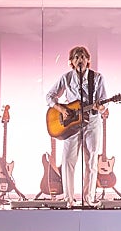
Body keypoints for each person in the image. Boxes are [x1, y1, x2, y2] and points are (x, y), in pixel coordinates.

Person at [46, 45, 109, 207]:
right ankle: (68, 199)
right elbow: (50, 96)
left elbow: (104, 104)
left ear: (88, 60)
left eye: (82, 57)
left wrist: (100, 107)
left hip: (92, 122)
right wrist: (61, 109)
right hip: (71, 124)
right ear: (71, 62)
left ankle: (88, 198)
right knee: (68, 160)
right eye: (76, 57)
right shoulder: (66, 78)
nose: (79, 60)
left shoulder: (97, 78)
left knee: (91, 160)